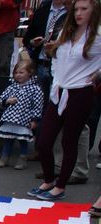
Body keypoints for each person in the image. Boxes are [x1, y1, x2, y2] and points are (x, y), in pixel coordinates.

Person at [33, 0, 101, 201]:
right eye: (77, 9)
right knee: (44, 142)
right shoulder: (67, 32)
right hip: (59, 91)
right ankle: (49, 180)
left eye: (84, 9)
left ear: (94, 11)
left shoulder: (97, 37)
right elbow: (56, 58)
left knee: (69, 141)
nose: (78, 13)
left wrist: (98, 73)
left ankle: (60, 186)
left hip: (80, 93)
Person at [0, 59, 43, 169]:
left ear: (30, 72)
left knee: (23, 140)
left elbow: (37, 105)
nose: (18, 75)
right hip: (11, 117)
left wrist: (34, 120)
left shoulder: (35, 89)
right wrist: (7, 100)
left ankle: (22, 159)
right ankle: (5, 157)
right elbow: (2, 97)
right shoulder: (12, 86)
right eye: (16, 73)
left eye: (21, 72)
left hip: (24, 117)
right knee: (9, 138)